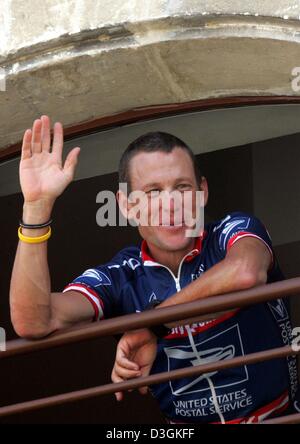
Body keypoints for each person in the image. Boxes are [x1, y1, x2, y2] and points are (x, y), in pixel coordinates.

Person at [10, 115, 299, 424]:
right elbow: (34, 321)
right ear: (126, 205)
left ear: (202, 192)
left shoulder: (233, 230)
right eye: (153, 192)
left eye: (183, 187)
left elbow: (245, 273)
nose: (171, 204)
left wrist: (152, 325)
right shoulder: (121, 275)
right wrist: (36, 208)